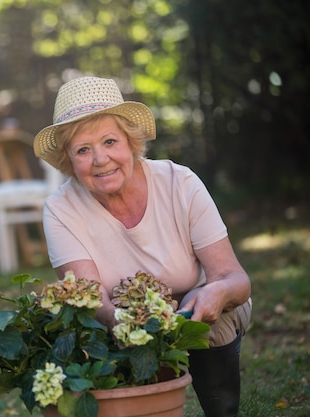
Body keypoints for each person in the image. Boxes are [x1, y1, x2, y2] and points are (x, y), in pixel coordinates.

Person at [33, 76, 252, 417]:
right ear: (68, 160)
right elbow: (91, 300)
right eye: (83, 150)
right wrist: (129, 323)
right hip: (116, 324)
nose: (100, 159)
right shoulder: (61, 209)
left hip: (197, 313)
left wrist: (217, 293)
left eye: (109, 141)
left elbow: (235, 278)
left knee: (217, 318)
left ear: (130, 142)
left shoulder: (179, 183)